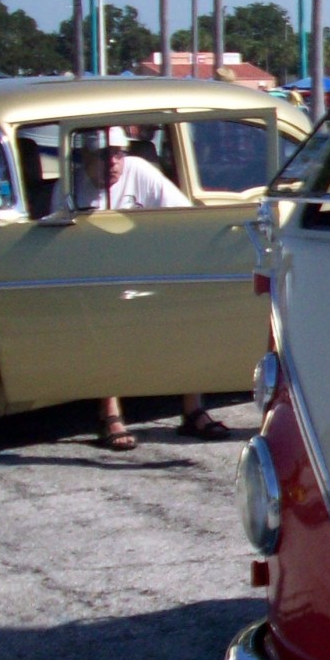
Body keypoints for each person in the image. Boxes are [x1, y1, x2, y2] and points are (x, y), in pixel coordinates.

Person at [65, 127, 230, 449]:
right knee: (105, 319)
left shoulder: (140, 171)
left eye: (117, 153)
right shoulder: (70, 188)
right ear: (85, 157)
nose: (112, 162)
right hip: (98, 280)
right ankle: (110, 413)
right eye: (102, 154)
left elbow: (185, 218)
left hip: (150, 272)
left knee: (189, 313)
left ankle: (193, 409)